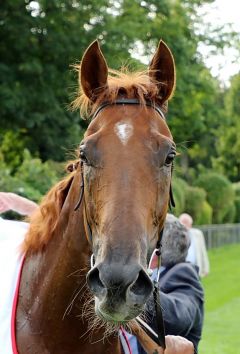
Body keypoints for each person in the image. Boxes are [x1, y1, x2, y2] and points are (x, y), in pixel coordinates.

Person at [128, 214, 204, 354]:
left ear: (158, 248)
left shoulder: (184, 272)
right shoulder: (153, 273)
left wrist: (132, 284)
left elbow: (177, 317)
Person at [179, 213, 210, 278]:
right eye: (183, 223)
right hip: (181, 270)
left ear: (191, 225)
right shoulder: (175, 236)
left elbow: (203, 251)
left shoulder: (198, 234)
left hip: (196, 269)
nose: (185, 225)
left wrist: (206, 268)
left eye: (187, 223)